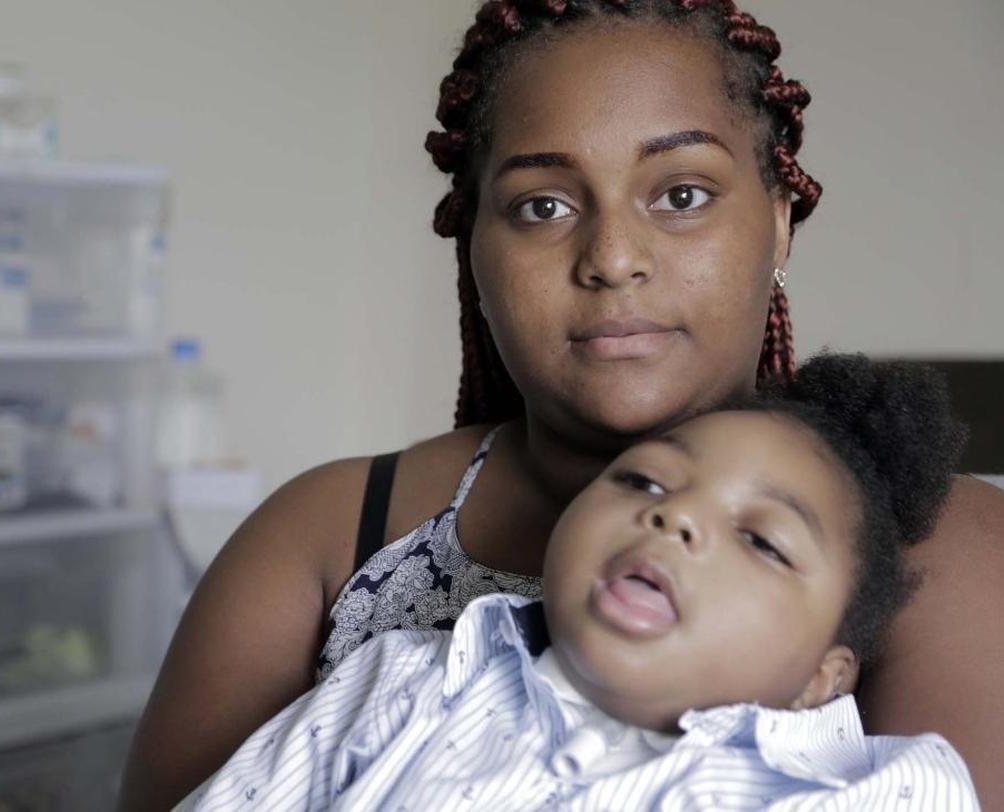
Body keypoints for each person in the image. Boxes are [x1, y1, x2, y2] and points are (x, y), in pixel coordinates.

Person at [118, 2, 1004, 808]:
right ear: (475, 247)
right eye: (542, 205)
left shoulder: (937, 543)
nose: (613, 256)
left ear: (778, 221)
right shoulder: (329, 535)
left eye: (682, 195)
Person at [190, 355, 976, 811]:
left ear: (821, 677)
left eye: (762, 540)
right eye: (644, 484)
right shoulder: (397, 684)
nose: (676, 522)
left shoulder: (876, 790)